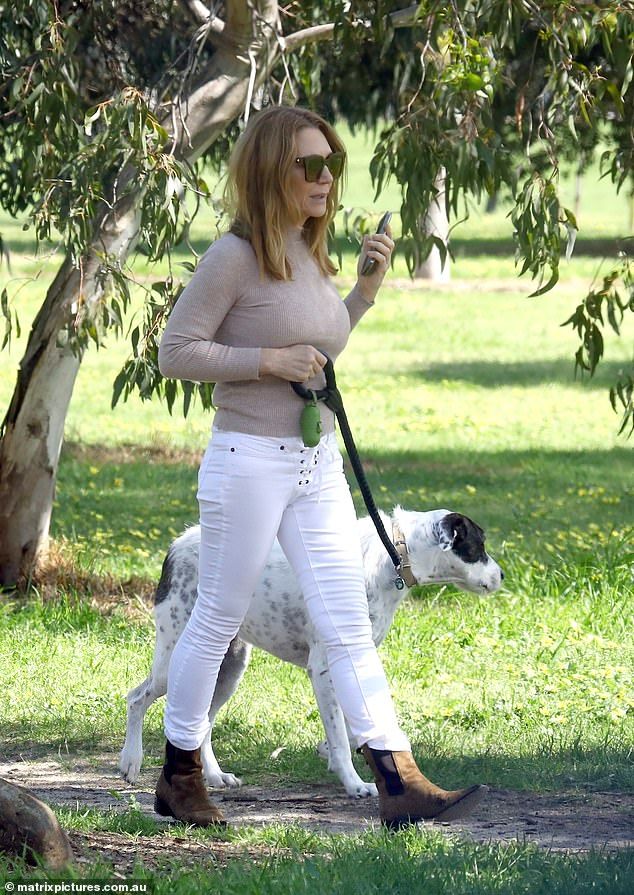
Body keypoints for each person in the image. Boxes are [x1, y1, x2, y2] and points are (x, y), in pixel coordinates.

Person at [154, 105, 486, 829]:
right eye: (310, 163)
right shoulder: (233, 257)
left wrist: (362, 292)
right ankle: (179, 775)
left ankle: (398, 781)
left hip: (316, 462)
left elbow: (320, 346)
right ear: (271, 171)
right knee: (217, 617)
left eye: (331, 162)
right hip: (247, 461)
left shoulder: (308, 251)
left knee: (346, 623)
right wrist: (267, 361)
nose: (325, 176)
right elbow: (174, 351)